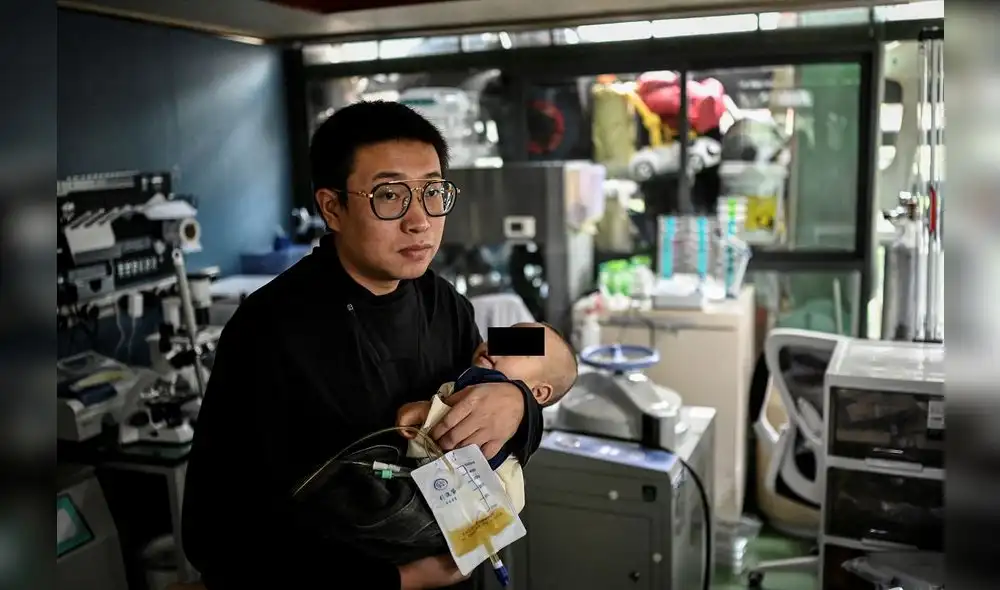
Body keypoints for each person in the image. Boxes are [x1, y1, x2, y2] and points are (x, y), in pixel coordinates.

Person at [181, 101, 544, 590]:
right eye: (389, 195)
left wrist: (517, 401)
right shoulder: (266, 330)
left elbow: (544, 349)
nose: (420, 220)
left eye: (432, 192)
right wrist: (401, 580)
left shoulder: (446, 301)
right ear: (332, 208)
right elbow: (218, 535)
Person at [399, 321, 579, 512]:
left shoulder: (490, 387)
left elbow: (456, 422)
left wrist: (426, 412)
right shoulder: (472, 377)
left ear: (538, 393)